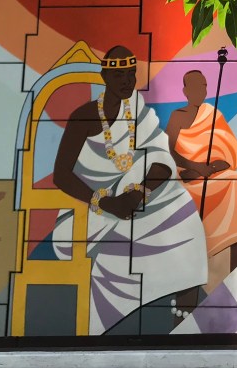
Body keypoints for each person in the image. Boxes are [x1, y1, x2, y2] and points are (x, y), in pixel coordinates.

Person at [53, 46, 208, 334]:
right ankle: (100, 326)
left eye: (131, 73)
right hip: (89, 213)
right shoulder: (83, 116)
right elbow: (61, 176)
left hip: (133, 201)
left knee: (186, 217)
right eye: (119, 74)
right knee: (120, 249)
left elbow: (161, 158)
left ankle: (183, 326)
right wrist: (106, 203)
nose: (127, 80)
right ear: (105, 76)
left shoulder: (137, 111)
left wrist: (138, 194)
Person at [166, 70, 237, 275]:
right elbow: (169, 150)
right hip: (187, 176)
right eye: (195, 87)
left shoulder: (213, 114)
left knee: (236, 180)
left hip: (211, 174)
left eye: (204, 86)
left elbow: (229, 150)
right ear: (185, 91)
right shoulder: (177, 116)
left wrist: (215, 166)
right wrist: (195, 167)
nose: (201, 91)